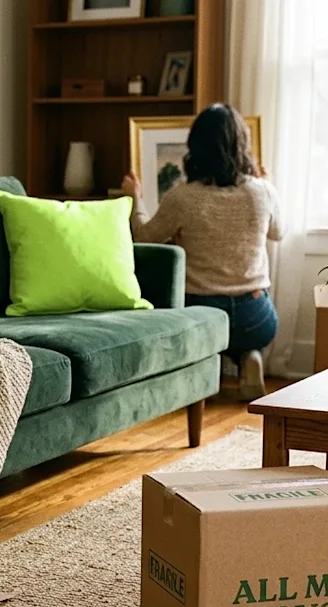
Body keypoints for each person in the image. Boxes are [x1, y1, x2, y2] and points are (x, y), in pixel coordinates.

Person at [123, 103, 283, 400]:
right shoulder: (262, 191)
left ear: (196, 146)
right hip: (255, 317)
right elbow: (279, 232)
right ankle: (248, 355)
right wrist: (268, 184)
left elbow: (145, 238)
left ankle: (206, 365)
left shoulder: (183, 196)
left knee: (195, 323)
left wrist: (135, 199)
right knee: (248, 326)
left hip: (201, 311)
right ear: (243, 145)